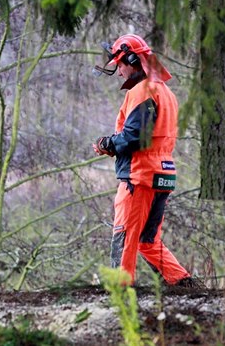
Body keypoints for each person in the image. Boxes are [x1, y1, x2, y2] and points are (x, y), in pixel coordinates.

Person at [92, 34, 196, 287]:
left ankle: (120, 292)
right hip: (163, 174)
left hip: (139, 177)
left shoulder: (141, 91)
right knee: (147, 241)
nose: (118, 72)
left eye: (119, 64)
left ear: (131, 59)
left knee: (124, 236)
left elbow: (134, 137)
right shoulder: (165, 92)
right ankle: (184, 285)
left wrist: (108, 143)